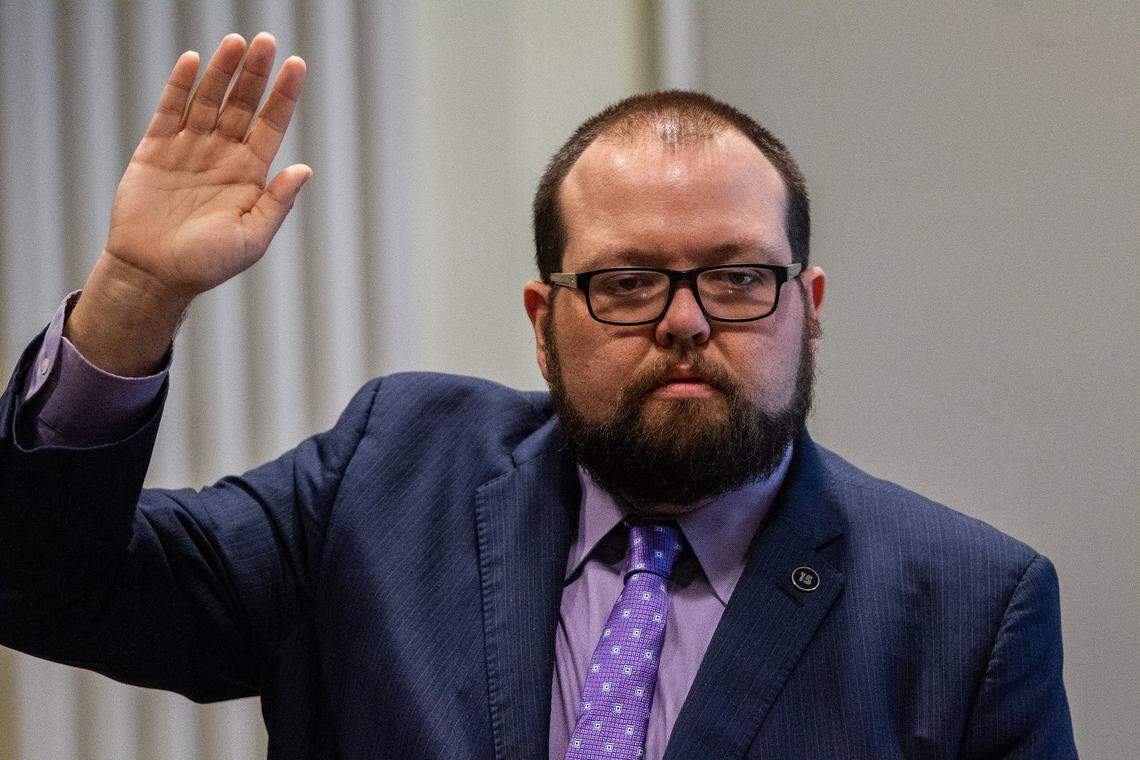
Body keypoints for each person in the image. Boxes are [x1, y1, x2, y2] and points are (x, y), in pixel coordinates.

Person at [0, 32, 1076, 760]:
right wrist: (137, 296)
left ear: (810, 304)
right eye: (628, 281)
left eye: (740, 277)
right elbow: (46, 585)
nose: (688, 320)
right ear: (543, 315)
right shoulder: (389, 475)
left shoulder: (967, 611)